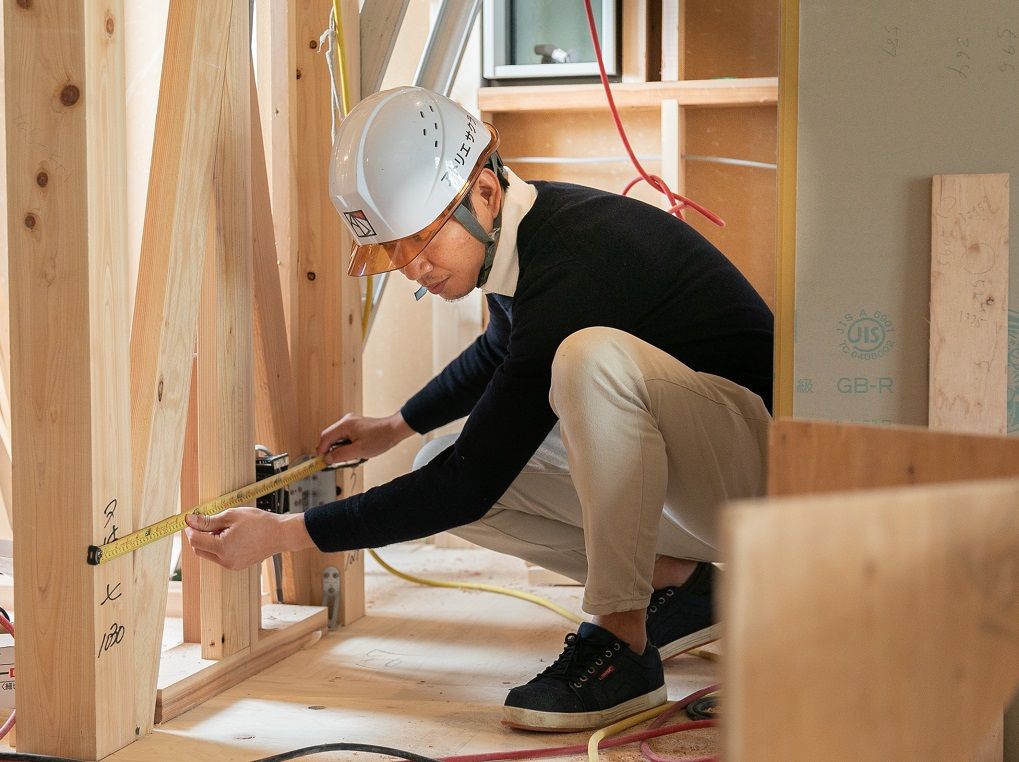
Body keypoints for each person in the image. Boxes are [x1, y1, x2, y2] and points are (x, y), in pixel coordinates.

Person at [186, 86, 772, 732]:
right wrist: (395, 427)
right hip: (704, 480)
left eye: (419, 241)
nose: (411, 268)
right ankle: (682, 589)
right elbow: (500, 351)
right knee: (439, 451)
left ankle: (621, 642)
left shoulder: (574, 259)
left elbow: (471, 482)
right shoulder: (528, 240)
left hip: (768, 486)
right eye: (393, 252)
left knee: (586, 362)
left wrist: (288, 534)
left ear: (484, 194)